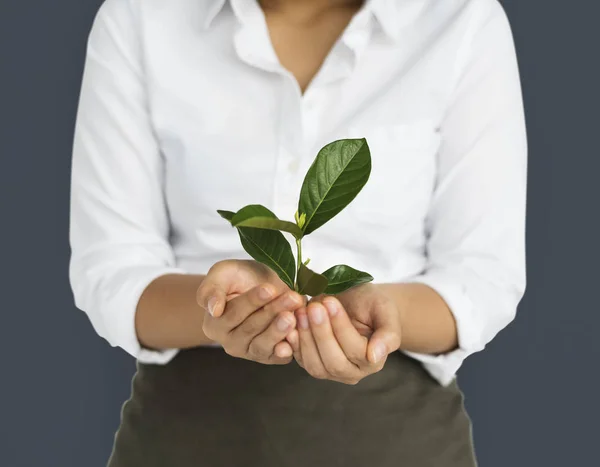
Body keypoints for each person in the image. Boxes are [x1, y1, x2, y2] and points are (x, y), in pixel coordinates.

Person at [69, 0, 527, 465]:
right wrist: (222, 307)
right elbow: (112, 268)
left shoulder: (460, 18)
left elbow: (482, 275)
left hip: (398, 440)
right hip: (184, 438)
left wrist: (382, 315)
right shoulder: (141, 15)